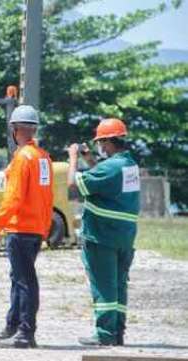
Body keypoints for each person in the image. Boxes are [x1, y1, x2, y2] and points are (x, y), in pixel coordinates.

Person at [0, 105, 53, 349]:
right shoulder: (43, 157)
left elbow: (13, 199)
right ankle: (13, 324)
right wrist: (44, 228)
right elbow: (47, 197)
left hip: (20, 228)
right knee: (20, 278)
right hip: (34, 229)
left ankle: (25, 332)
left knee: (24, 281)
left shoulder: (23, 158)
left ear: (15, 129)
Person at [67, 118, 140, 346]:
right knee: (118, 285)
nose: (100, 147)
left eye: (101, 142)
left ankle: (105, 335)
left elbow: (72, 188)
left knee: (103, 285)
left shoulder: (111, 168)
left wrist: (73, 158)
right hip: (124, 236)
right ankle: (117, 332)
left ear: (108, 142)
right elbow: (104, 176)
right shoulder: (128, 164)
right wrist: (89, 159)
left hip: (102, 235)